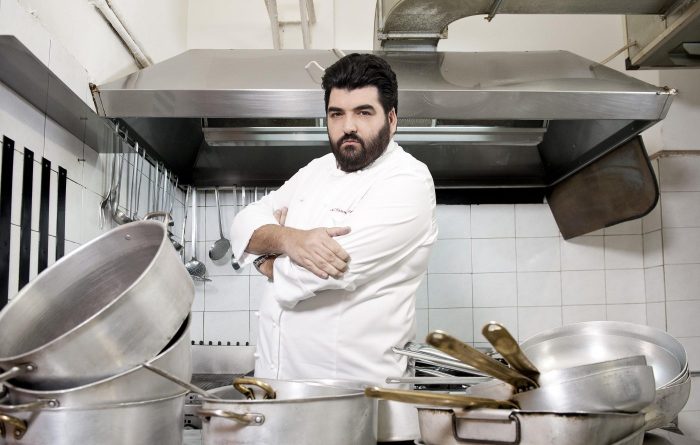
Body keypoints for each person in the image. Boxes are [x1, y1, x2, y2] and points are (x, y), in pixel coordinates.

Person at [230, 53, 437, 439]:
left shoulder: (408, 182)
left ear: (392, 119)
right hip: (282, 408)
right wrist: (289, 239)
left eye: (364, 112)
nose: (348, 126)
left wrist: (268, 261)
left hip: (361, 416)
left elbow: (331, 269)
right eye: (336, 114)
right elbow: (244, 222)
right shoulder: (316, 170)